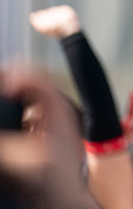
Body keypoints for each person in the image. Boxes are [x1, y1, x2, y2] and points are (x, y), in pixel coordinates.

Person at [28, 5, 133, 209]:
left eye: (48, 124)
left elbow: (101, 120)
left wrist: (70, 33)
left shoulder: (95, 198)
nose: (37, 134)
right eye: (26, 127)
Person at [0, 67, 101, 209]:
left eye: (41, 124)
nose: (33, 133)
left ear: (77, 143)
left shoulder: (102, 197)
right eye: (26, 126)